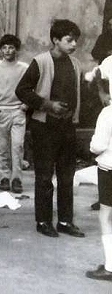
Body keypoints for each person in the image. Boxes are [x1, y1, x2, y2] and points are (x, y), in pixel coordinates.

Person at [15, 19, 85, 238]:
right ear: (55, 40)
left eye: (75, 40)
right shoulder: (41, 62)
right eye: (69, 40)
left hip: (67, 127)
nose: (74, 44)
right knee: (45, 176)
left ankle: (65, 221)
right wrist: (47, 104)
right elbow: (22, 90)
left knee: (67, 176)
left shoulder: (75, 64)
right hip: (44, 127)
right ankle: (43, 221)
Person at [0, 34, 28, 193]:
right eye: (4, 48)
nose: (7, 51)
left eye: (11, 47)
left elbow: (33, 88)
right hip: (1, 112)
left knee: (17, 146)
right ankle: (4, 177)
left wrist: (25, 105)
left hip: (18, 112)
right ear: (1, 50)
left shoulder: (24, 68)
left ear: (16, 49)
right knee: (1, 147)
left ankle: (16, 179)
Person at [86, 56, 112, 281]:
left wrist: (92, 146)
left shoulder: (107, 114)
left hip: (109, 169)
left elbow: (98, 146)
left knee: (106, 216)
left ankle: (110, 266)